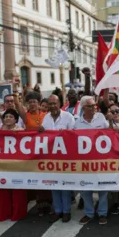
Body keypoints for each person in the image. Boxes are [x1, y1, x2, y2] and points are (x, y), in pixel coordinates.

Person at [74, 96, 109, 225]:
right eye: (90, 106)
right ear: (83, 108)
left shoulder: (101, 117)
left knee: (102, 188)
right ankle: (89, 213)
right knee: (85, 188)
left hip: (100, 160)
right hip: (84, 161)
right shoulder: (77, 123)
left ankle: (102, 213)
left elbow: (109, 133)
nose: (94, 107)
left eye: (94, 105)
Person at [40, 95, 75, 223]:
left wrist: (65, 133)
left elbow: (74, 135)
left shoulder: (68, 117)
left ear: (59, 103)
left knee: (64, 184)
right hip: (51, 157)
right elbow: (43, 136)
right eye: (50, 104)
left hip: (65, 157)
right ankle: (58, 210)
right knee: (54, 184)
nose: (52, 106)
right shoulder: (46, 117)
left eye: (55, 103)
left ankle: (66, 211)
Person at [0, 109, 27, 221]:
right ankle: (5, 213)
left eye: (11, 116)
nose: (8, 118)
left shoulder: (21, 131)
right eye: (6, 116)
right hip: (2, 165)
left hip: (17, 164)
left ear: (15, 119)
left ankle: (18, 214)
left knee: (17, 189)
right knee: (3, 188)